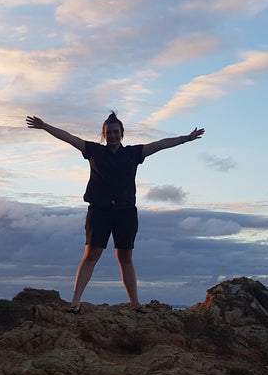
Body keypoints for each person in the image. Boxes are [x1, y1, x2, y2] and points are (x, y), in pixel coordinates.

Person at [25, 112, 204, 313]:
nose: (112, 135)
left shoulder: (133, 153)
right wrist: (45, 125)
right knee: (91, 255)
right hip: (99, 211)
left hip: (125, 212)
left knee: (125, 257)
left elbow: (160, 144)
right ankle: (75, 302)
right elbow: (69, 138)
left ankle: (135, 304)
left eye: (116, 132)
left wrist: (185, 139)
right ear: (104, 134)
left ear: (122, 134)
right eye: (109, 132)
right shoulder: (93, 150)